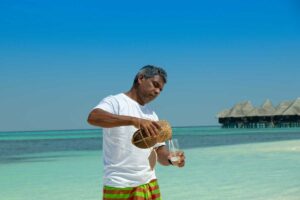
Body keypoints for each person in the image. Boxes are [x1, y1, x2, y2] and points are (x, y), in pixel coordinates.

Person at [87, 65, 185, 200]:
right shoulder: (115, 102)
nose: (157, 91)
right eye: (155, 85)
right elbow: (93, 117)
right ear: (141, 78)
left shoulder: (152, 115)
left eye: (160, 90)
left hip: (150, 184)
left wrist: (170, 159)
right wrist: (133, 120)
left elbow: (158, 151)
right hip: (120, 186)